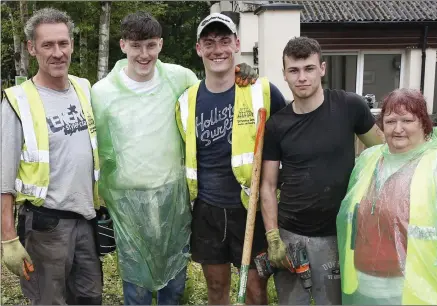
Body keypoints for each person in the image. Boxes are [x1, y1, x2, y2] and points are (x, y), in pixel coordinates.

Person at [91, 11, 257, 305]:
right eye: (136, 45)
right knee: (136, 286)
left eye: (151, 45)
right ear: (122, 45)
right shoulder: (101, 93)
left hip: (173, 201)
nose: (144, 54)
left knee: (174, 284)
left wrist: (242, 70)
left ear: (161, 45)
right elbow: (100, 150)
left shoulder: (179, 78)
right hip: (129, 204)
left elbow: (213, 88)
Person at [259, 36, 383, 305]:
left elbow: (384, 153)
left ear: (322, 68)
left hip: (337, 236)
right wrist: (273, 237)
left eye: (309, 68)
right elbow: (267, 186)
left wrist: (427, 151)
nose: (302, 77)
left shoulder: (350, 106)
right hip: (292, 236)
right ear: (285, 74)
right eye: (294, 70)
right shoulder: (277, 125)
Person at [175, 13, 287, 305]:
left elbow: (290, 138)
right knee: (215, 286)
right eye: (209, 43)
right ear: (199, 49)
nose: (218, 50)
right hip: (207, 210)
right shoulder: (186, 101)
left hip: (249, 208)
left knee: (255, 290)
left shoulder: (261, 91)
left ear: (237, 44)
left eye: (225, 41)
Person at [337, 88, 437, 305]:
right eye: (391, 121)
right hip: (362, 287)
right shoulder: (368, 160)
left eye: (407, 120)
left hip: (418, 292)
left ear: (423, 123)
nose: (398, 129)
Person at [1, 8, 102, 305]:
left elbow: (131, 67)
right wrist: (7, 237)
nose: (57, 53)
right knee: (50, 301)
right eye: (47, 45)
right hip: (46, 227)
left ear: (71, 44)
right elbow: (3, 178)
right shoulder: (17, 101)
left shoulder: (84, 88)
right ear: (32, 48)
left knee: (90, 298)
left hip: (87, 221)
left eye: (63, 43)